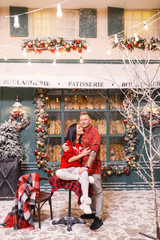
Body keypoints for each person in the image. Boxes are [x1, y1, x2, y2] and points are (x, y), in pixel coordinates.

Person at [63, 112, 103, 231]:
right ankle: (92, 212)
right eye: (82, 120)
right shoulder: (81, 133)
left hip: (93, 167)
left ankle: (99, 218)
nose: (83, 121)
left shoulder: (94, 132)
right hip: (82, 168)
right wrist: (64, 146)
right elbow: (72, 143)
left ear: (90, 120)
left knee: (98, 191)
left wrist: (87, 166)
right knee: (89, 191)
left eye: (86, 119)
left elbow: (94, 151)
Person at [56, 123, 94, 214]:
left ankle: (85, 201)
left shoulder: (82, 143)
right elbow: (69, 160)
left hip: (77, 168)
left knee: (84, 173)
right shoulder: (68, 143)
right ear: (74, 131)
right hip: (67, 169)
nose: (81, 128)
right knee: (58, 173)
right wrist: (82, 154)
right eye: (79, 128)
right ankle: (79, 179)